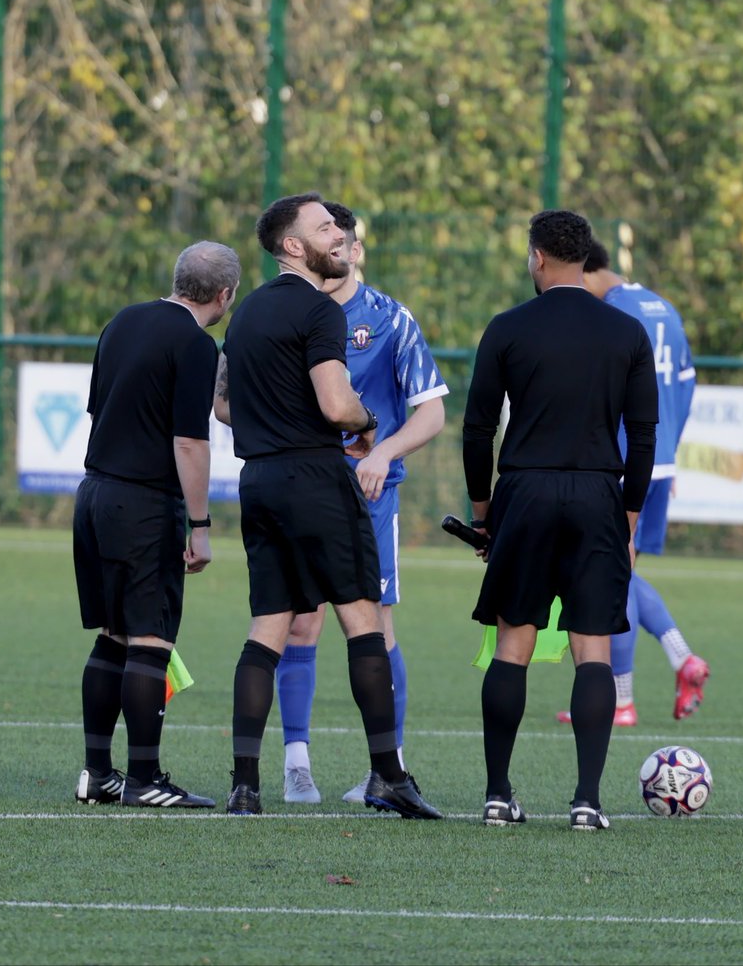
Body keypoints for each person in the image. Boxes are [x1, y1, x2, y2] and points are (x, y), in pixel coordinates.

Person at [214, 191, 441, 819]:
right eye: (324, 229)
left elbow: (224, 406)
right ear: (293, 246)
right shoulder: (321, 312)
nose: (338, 236)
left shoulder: (248, 313)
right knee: (363, 621)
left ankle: (245, 786)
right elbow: (337, 404)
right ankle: (389, 777)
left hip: (257, 482)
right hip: (317, 478)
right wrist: (366, 426)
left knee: (268, 629)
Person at [463, 209, 658, 830]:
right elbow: (644, 436)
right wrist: (628, 516)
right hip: (598, 495)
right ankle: (586, 802)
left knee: (513, 644)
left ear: (537, 258)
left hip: (524, 491)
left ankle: (498, 795)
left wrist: (484, 511)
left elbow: (477, 429)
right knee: (592, 650)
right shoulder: (625, 332)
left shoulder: (508, 327)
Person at [274, 201, 449, 805]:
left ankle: (387, 767)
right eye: (329, 234)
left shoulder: (390, 319)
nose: (341, 245)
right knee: (301, 618)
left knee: (374, 623)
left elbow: (432, 411)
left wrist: (381, 453)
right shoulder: (289, 312)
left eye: (346, 237)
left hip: (369, 496)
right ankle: (297, 763)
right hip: (302, 488)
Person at [73, 240, 240, 809]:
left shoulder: (121, 322)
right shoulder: (196, 344)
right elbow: (190, 441)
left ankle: (99, 773)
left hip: (94, 492)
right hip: (145, 504)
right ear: (225, 295)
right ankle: (145, 779)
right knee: (150, 641)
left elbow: (97, 411)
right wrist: (200, 525)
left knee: (114, 636)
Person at [555, 238, 710, 727]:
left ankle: (621, 700)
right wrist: (670, 453)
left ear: (585, 272)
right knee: (620, 570)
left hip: (620, 459)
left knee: (608, 576)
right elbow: (687, 384)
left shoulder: (614, 313)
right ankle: (681, 657)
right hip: (658, 461)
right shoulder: (662, 307)